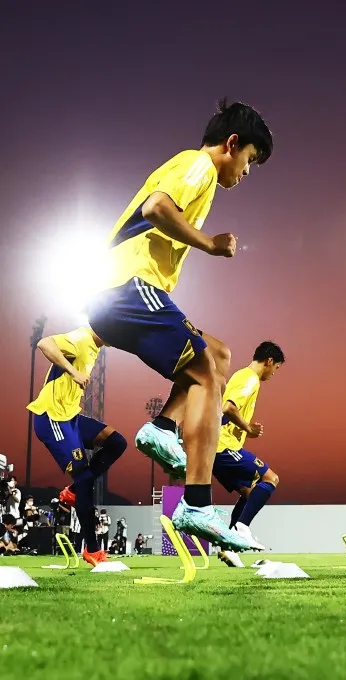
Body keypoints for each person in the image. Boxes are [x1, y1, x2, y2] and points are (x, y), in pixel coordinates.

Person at [86, 99, 273, 551]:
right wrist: (209, 243)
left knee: (220, 355)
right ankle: (196, 502)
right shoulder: (199, 166)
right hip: (126, 286)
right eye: (250, 159)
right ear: (232, 144)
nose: (247, 172)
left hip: (125, 294)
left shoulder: (202, 180)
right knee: (209, 371)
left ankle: (162, 430)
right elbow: (156, 207)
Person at [26, 327, 127, 566]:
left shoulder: (94, 347)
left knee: (116, 442)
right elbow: (44, 344)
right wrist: (73, 371)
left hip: (71, 417)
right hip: (52, 418)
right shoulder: (81, 339)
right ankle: (92, 549)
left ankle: (72, 490)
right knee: (84, 479)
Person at [212, 342, 285, 566]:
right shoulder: (249, 378)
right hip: (223, 447)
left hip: (219, 447)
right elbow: (228, 407)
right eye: (277, 368)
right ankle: (242, 529)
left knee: (250, 493)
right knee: (271, 478)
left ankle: (229, 548)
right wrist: (248, 428)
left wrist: (244, 430)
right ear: (269, 361)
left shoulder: (242, 376)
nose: (274, 373)